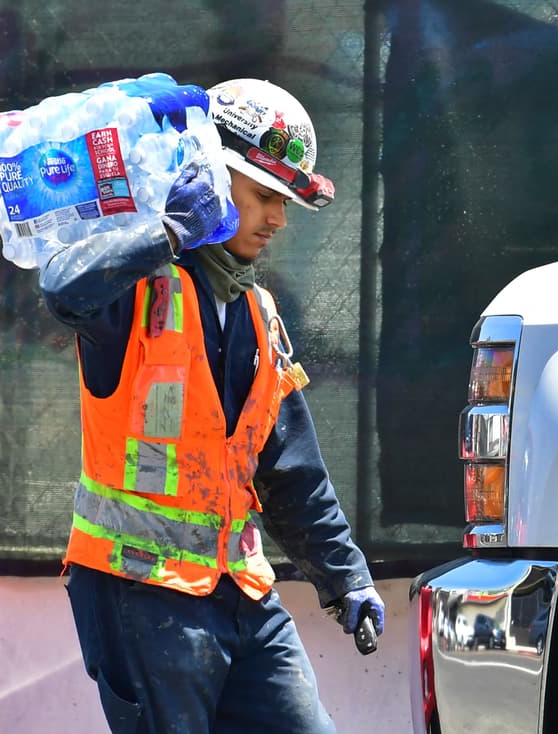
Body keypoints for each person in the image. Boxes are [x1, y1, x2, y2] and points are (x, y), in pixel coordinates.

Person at [40, 78, 385, 734]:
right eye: (264, 196)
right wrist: (165, 231)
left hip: (242, 596)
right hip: (140, 595)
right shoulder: (134, 291)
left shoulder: (257, 312)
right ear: (210, 175)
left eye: (285, 202)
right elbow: (62, 287)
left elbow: (290, 470)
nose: (278, 220)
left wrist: (346, 576)